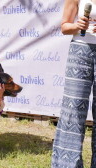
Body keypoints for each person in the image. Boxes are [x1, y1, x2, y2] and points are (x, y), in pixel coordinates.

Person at [51, 0, 96, 167]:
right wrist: (77, 25)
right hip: (80, 51)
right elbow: (64, 27)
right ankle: (67, 164)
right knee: (73, 108)